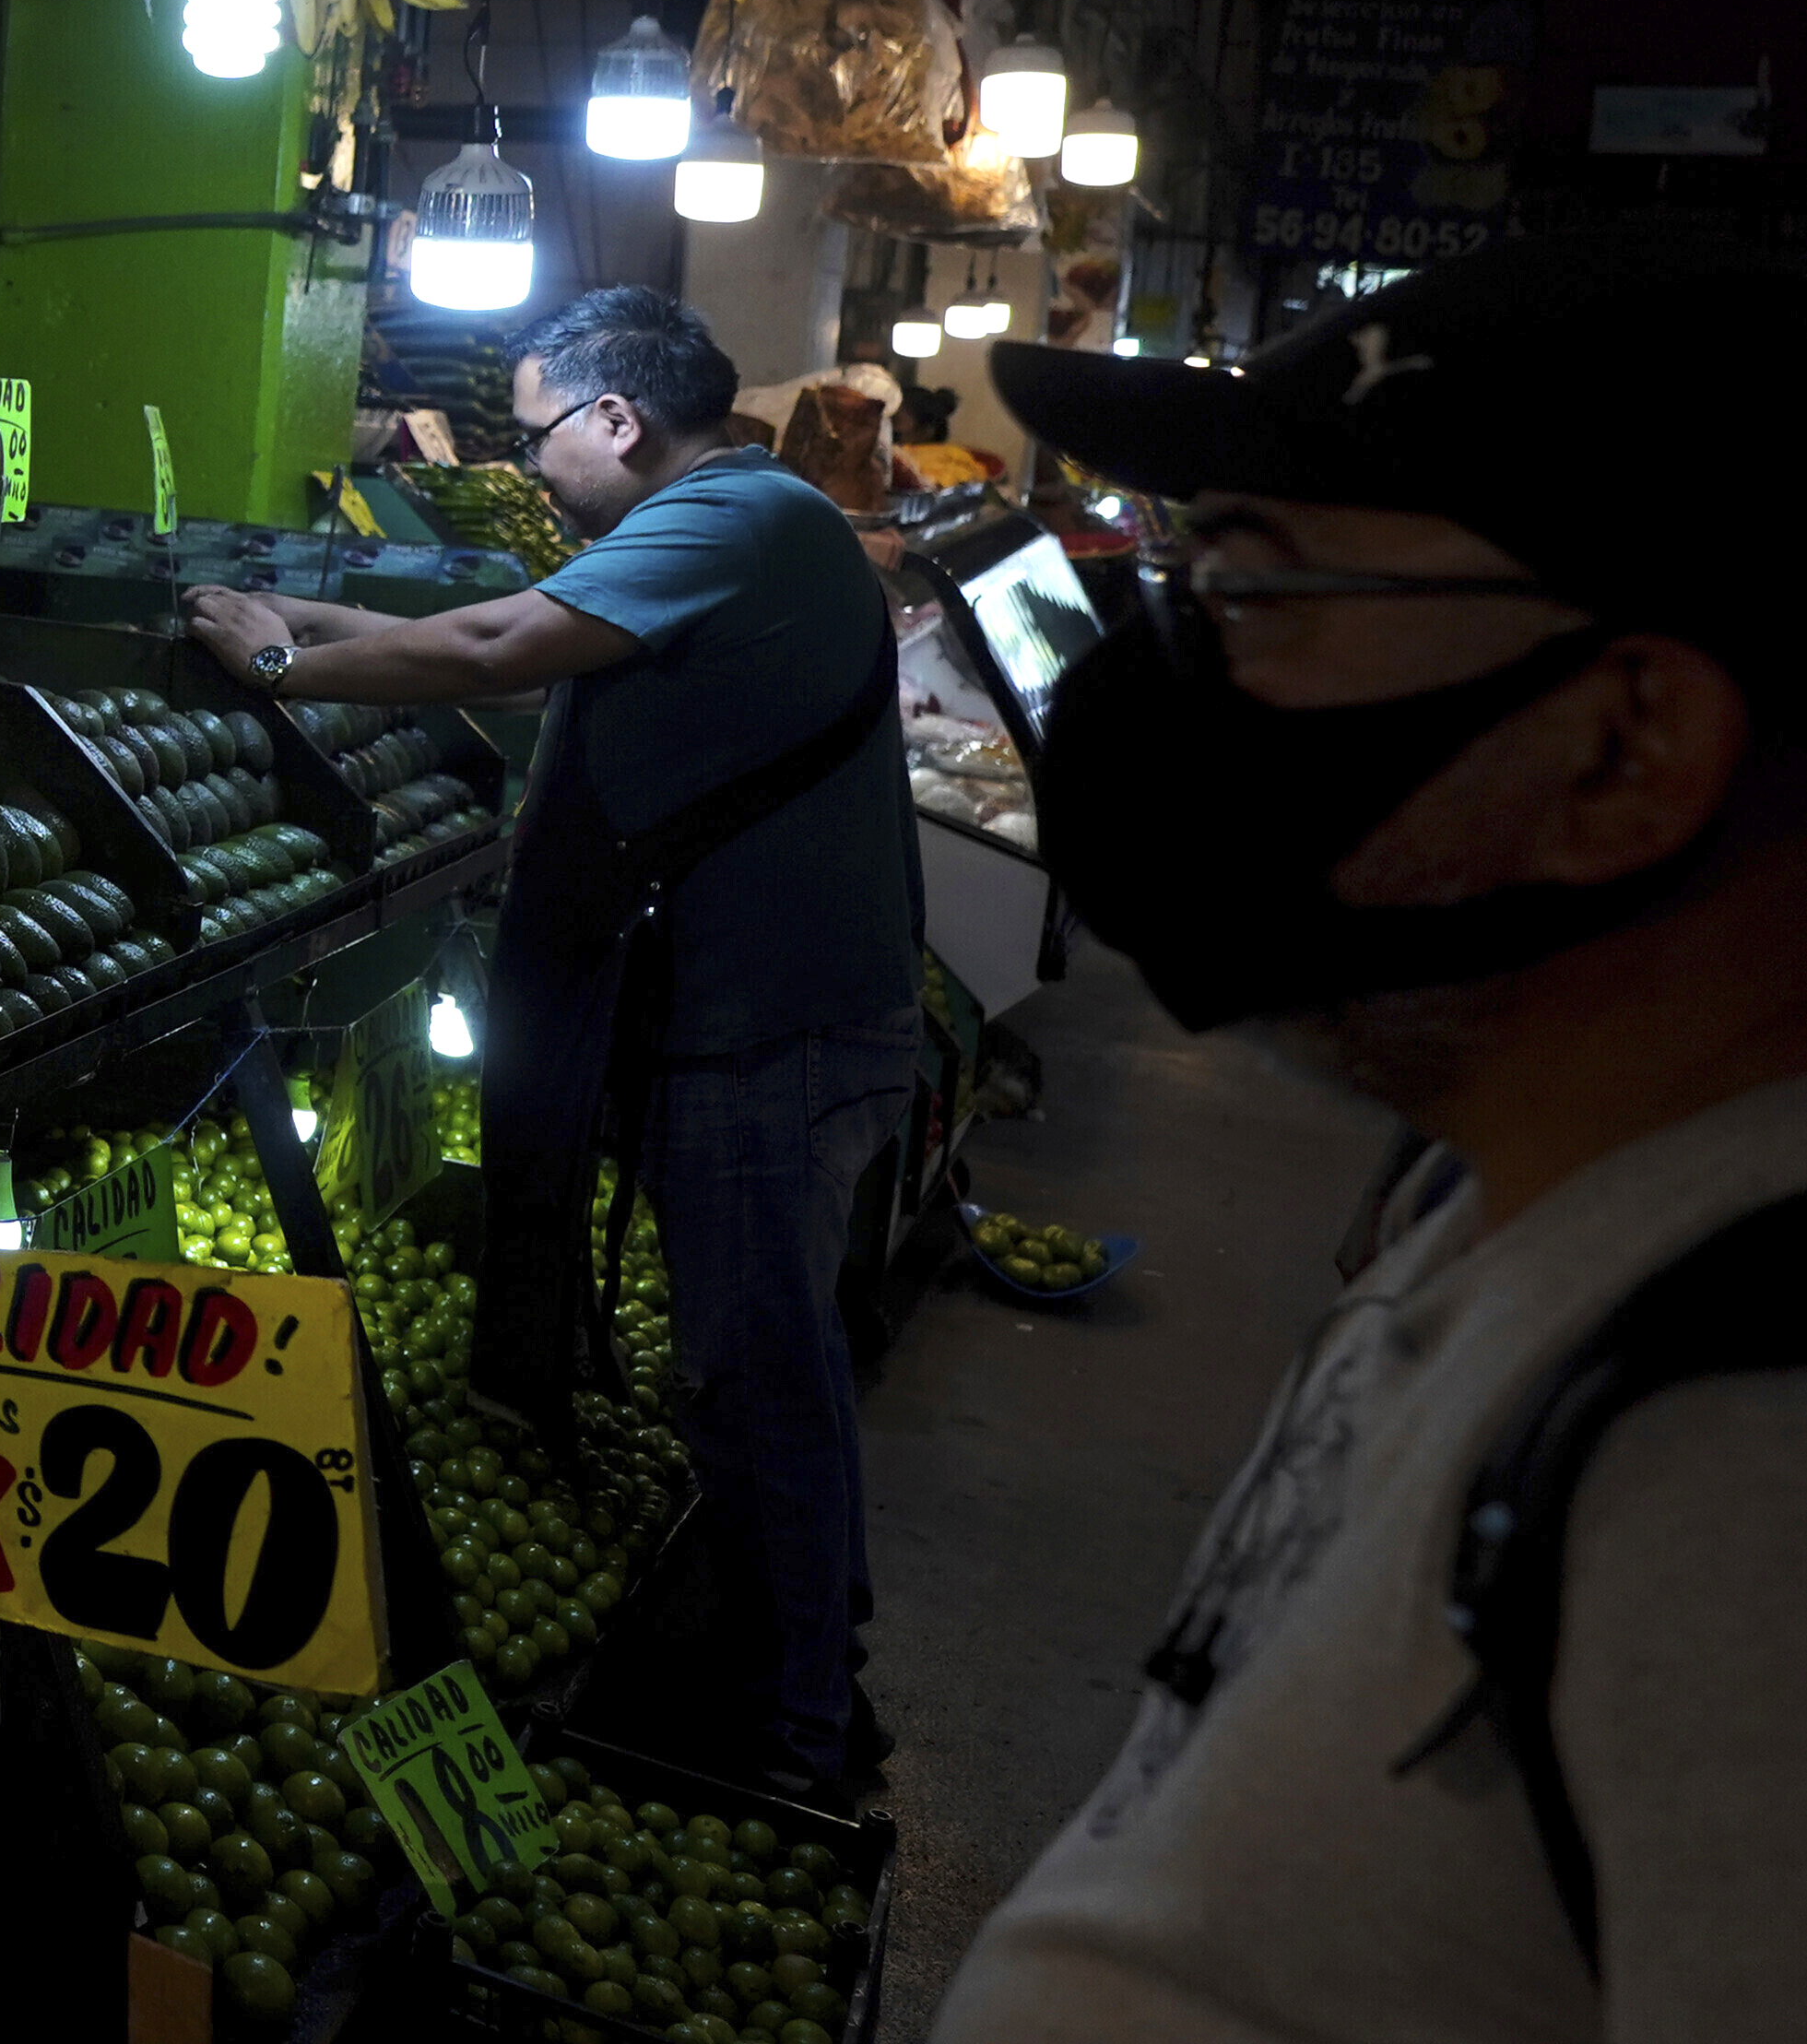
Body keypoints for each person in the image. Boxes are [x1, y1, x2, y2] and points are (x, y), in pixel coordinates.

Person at [930, 238, 1807, 2042]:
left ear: (1626, 743)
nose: (1161, 684)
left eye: (1255, 593)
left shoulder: (1747, 1470)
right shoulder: (1522, 1198)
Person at [177, 282, 918, 1799]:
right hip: (771, 1025)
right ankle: (789, 1677)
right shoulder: (739, 516)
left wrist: (276, 664)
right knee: (760, 1372)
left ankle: (790, 1744)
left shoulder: (738, 519)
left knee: (751, 1382)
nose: (525, 472)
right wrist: (290, 610)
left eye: (532, 443)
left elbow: (491, 645)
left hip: (764, 1039)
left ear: (613, 418)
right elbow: (469, 629)